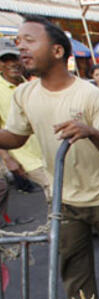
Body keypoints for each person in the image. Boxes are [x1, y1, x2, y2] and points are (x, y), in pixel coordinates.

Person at [0, 16, 99, 299]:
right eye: (18, 40)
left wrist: (89, 131)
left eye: (29, 40)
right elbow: (17, 136)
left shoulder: (88, 94)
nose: (20, 46)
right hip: (63, 199)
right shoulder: (25, 95)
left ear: (58, 51)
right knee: (73, 269)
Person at [0, 37, 50, 201]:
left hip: (49, 150)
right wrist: (7, 159)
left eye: (15, 58)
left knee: (61, 196)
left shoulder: (32, 87)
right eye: (5, 60)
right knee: (56, 191)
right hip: (27, 158)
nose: (12, 64)